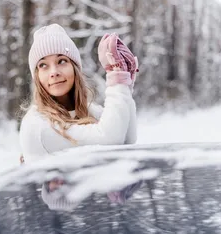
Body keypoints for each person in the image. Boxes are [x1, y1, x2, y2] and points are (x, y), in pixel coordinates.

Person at [19, 23, 138, 164]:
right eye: (43, 65)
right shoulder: (38, 125)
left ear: (75, 68)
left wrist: (125, 84)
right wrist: (116, 75)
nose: (54, 72)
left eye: (61, 61)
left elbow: (127, 139)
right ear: (37, 77)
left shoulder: (88, 110)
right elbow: (110, 138)